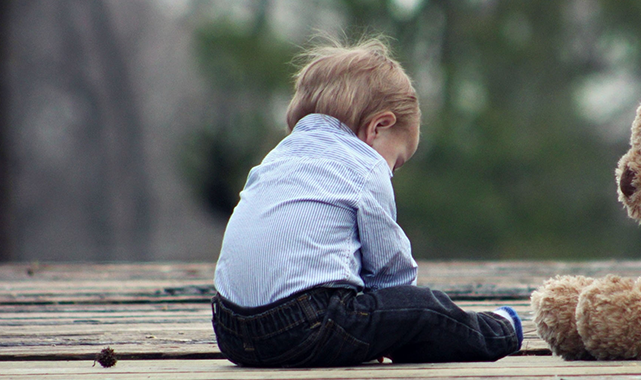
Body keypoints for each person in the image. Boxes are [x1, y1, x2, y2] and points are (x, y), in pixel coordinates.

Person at [211, 36, 522, 368]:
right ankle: (499, 330)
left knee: (382, 315)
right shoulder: (364, 165)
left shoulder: (276, 158)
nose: (391, 172)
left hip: (230, 330)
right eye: (397, 162)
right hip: (304, 326)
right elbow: (391, 271)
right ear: (379, 126)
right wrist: (400, 319)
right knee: (426, 309)